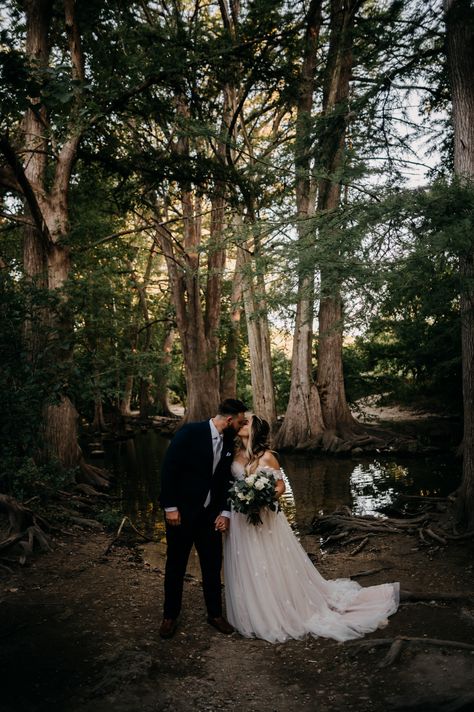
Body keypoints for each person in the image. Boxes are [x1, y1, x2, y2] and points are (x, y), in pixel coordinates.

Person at [224, 415, 400, 643]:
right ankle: (251, 609)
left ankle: (276, 608)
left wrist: (262, 499)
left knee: (268, 561)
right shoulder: (234, 454)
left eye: (246, 422)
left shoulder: (268, 457)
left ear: (256, 429)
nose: (241, 425)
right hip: (240, 520)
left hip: (265, 519)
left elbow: (280, 486)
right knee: (247, 561)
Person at [159, 398, 248, 639]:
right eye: (240, 421)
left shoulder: (229, 441)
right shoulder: (190, 432)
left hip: (210, 516)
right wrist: (170, 507)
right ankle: (170, 616)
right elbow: (169, 469)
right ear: (229, 419)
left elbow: (225, 481)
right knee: (176, 565)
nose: (243, 424)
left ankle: (215, 614)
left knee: (212, 566)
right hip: (182, 514)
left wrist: (225, 511)